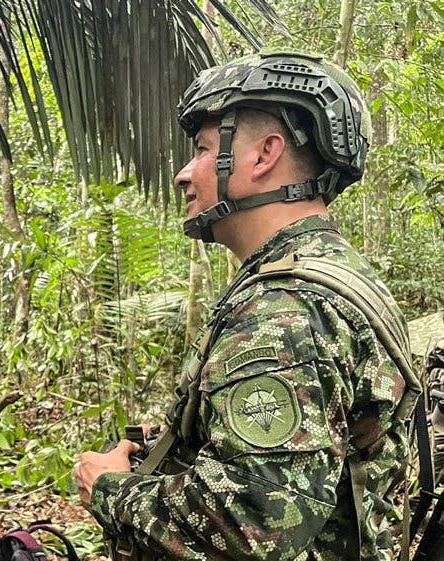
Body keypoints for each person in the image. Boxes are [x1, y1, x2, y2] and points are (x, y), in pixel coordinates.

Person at [74, 51, 419, 561]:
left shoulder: (285, 308)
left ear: (263, 155)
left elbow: (255, 522)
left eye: (203, 148)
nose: (183, 174)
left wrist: (108, 489)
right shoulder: (330, 273)